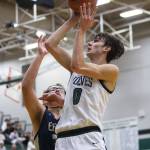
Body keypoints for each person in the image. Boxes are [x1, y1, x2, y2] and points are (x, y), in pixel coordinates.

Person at [45, 2, 124, 150]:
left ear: (107, 48)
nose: (90, 43)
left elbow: (77, 65)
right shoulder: (78, 68)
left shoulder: (111, 70)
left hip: (87, 137)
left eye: (96, 41)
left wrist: (82, 29)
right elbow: (50, 44)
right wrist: (74, 19)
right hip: (62, 139)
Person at [22, 36, 65, 150]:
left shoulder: (70, 115)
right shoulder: (41, 113)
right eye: (51, 89)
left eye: (59, 89)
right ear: (45, 98)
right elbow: (26, 87)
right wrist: (40, 56)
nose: (55, 90)